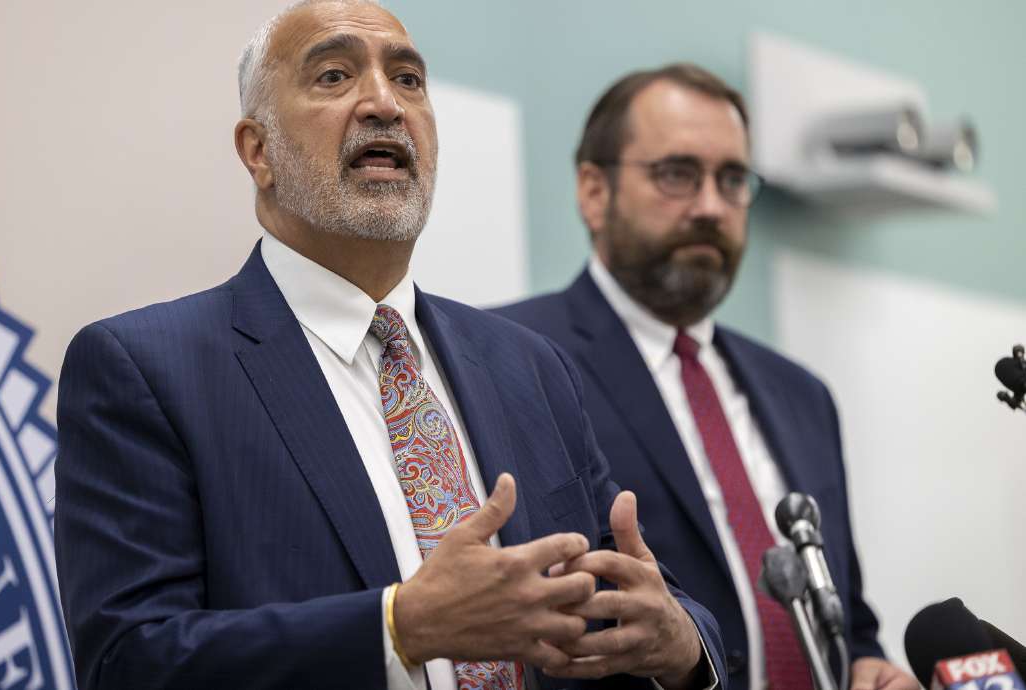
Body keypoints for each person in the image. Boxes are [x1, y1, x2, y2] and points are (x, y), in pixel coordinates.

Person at [54, 4, 725, 690]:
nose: (383, 103)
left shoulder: (530, 367)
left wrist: (680, 642)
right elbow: (128, 663)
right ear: (259, 150)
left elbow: (640, 593)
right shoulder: (146, 370)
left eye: (408, 80)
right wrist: (399, 628)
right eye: (335, 75)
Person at [495, 65, 917, 690]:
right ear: (592, 190)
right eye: (677, 174)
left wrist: (868, 667)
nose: (712, 206)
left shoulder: (802, 396)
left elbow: (848, 621)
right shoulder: (511, 359)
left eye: (732, 179)